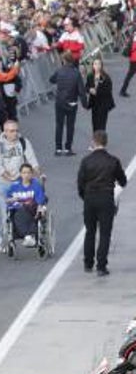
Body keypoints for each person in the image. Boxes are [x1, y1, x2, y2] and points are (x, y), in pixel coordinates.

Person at [78, 130, 128, 277]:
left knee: (90, 231)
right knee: (105, 233)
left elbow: (80, 183)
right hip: (106, 197)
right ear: (106, 142)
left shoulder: (86, 161)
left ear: (94, 142)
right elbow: (123, 181)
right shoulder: (113, 160)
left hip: (90, 197)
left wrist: (85, 196)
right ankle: (101, 266)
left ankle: (88, 263)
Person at [0, 121, 40, 249]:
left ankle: (28, 234)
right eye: (11, 131)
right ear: (5, 132)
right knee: (6, 213)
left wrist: (37, 173)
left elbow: (32, 160)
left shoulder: (23, 142)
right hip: (4, 184)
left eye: (16, 130)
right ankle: (0, 235)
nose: (15, 133)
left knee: (27, 207)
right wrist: (9, 178)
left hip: (20, 182)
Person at [5, 163, 49, 248]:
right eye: (24, 173)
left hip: (32, 209)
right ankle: (29, 235)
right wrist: (13, 199)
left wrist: (40, 208)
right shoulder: (14, 186)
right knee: (17, 213)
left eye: (28, 173)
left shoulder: (36, 185)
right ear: (20, 174)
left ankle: (28, 235)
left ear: (32, 174)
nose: (26, 175)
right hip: (17, 209)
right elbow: (7, 200)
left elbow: (40, 200)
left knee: (30, 210)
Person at [50, 53, 85, 156]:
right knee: (70, 126)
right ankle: (68, 148)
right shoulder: (76, 73)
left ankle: (58, 148)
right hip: (72, 102)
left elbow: (51, 80)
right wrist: (85, 104)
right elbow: (81, 90)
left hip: (60, 101)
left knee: (59, 125)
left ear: (64, 60)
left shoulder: (59, 71)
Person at [85, 57, 116, 134]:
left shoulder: (106, 77)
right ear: (92, 65)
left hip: (103, 104)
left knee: (101, 124)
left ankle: (101, 143)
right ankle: (96, 141)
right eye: (95, 64)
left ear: (101, 66)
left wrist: (97, 92)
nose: (97, 66)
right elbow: (86, 87)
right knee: (95, 123)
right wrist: (89, 90)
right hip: (94, 103)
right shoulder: (90, 76)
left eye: (99, 64)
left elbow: (108, 90)